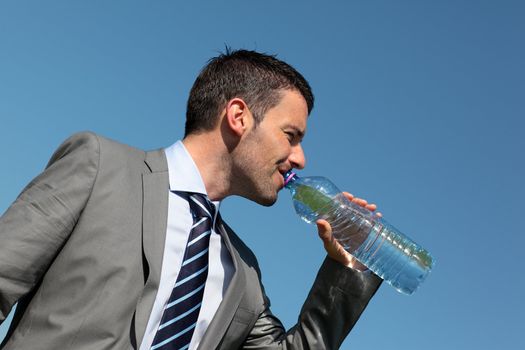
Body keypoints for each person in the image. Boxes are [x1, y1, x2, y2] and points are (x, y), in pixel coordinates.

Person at [0, 49, 381, 349]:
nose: (300, 158)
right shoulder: (100, 167)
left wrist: (345, 269)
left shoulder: (244, 274)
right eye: (291, 135)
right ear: (238, 116)